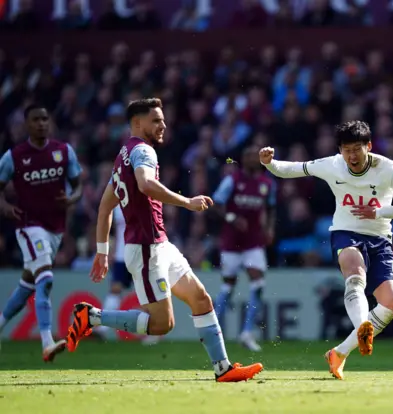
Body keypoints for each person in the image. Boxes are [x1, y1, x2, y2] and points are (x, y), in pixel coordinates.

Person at [65, 98, 263, 382]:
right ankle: (92, 317)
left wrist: (102, 251)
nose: (163, 125)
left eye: (163, 119)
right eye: (156, 120)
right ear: (137, 123)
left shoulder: (124, 155)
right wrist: (187, 201)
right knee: (161, 324)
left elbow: (105, 206)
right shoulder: (144, 151)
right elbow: (145, 185)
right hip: (145, 249)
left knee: (200, 298)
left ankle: (223, 369)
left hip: (159, 245)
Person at [259, 120, 393, 380]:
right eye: (347, 150)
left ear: (369, 146)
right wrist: (270, 163)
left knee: (392, 302)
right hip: (346, 232)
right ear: (340, 150)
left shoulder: (387, 168)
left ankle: (339, 352)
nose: (352, 156)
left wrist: (378, 211)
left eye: (357, 149)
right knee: (355, 275)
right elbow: (294, 169)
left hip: (380, 238)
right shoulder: (333, 164)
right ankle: (362, 327)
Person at [0, 104, 83, 362]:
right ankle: (47, 342)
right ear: (27, 124)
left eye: (45, 119)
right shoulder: (13, 156)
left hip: (55, 229)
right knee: (45, 279)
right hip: (28, 226)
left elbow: (78, 185)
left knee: (27, 285)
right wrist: (4, 206)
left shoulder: (63, 152)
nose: (41, 124)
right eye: (36, 120)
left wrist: (70, 200)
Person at [212, 145, 276, 352]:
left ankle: (247, 333)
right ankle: (216, 331)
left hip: (253, 242)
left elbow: (271, 207)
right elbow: (216, 204)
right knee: (228, 285)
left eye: (253, 156)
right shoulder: (232, 180)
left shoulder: (266, 183)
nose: (250, 159)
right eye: (247, 156)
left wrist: (269, 228)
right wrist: (231, 217)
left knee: (259, 281)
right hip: (231, 242)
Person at [93, 205, 161, 345]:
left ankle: (155, 331)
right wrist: (110, 250)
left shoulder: (142, 197)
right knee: (115, 289)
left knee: (145, 294)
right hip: (121, 255)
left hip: (139, 254)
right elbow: (115, 230)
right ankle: (103, 328)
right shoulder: (117, 202)